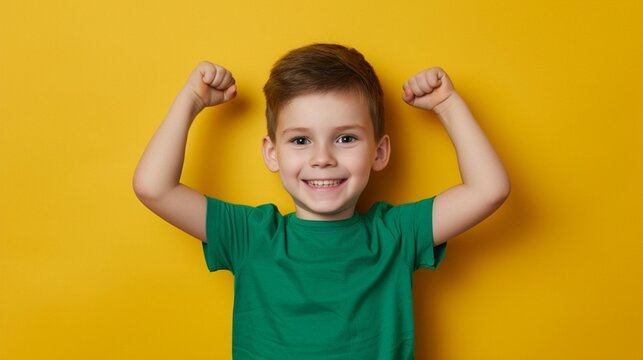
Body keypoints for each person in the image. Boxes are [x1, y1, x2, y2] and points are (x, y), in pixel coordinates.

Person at [133, 43, 510, 359]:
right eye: (300, 140)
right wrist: (191, 100)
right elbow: (154, 187)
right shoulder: (250, 235)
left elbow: (488, 189)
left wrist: (447, 105)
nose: (322, 157)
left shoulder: (394, 234)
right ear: (272, 153)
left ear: (379, 152)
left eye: (345, 138)